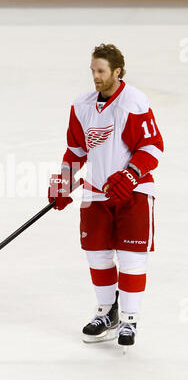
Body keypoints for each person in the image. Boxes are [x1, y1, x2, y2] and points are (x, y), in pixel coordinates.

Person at [48, 43, 164, 348]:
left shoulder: (134, 103)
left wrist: (131, 173)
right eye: (92, 71)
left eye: (101, 71)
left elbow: (152, 148)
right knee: (97, 256)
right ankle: (105, 312)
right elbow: (76, 149)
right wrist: (64, 182)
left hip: (134, 193)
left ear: (117, 71)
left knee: (131, 258)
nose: (95, 77)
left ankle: (129, 320)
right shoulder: (82, 106)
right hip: (96, 194)